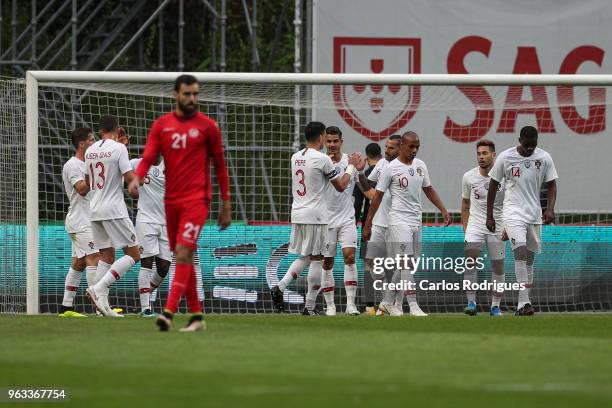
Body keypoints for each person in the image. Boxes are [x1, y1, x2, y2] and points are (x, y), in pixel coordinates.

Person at [129, 74, 232, 332]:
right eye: (188, 94)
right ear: (176, 94)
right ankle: (197, 316)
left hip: (197, 200)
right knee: (183, 257)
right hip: (170, 203)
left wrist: (226, 202)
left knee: (184, 254)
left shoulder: (208, 127)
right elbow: (149, 156)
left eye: (196, 94)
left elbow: (220, 166)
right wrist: (137, 178)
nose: (193, 98)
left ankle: (168, 312)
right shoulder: (162, 125)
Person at [270, 121, 364, 315]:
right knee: (315, 259)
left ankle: (297, 299)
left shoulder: (296, 157)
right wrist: (351, 167)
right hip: (316, 215)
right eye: (326, 138)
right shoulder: (323, 159)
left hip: (297, 212)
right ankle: (292, 294)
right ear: (321, 136)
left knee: (309, 256)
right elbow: (340, 186)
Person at [363, 132, 451, 317]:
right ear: (402, 145)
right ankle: (413, 306)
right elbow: (377, 196)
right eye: (411, 146)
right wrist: (368, 223)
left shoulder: (420, 165)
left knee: (407, 265)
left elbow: (428, 189)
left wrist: (443, 209)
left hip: (415, 220)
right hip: (398, 220)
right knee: (405, 262)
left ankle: (386, 303)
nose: (414, 150)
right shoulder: (391, 168)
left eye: (417, 146)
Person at [486, 125, 558, 316]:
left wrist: (549, 208)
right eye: (527, 145)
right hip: (512, 213)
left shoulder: (544, 158)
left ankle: (521, 305)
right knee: (520, 254)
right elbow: (493, 186)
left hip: (534, 215)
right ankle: (526, 303)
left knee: (530, 261)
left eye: (533, 146)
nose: (529, 149)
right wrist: (490, 215)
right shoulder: (505, 157)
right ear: (520, 140)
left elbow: (552, 185)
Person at [85, 116, 140, 317]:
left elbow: (87, 180)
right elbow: (129, 179)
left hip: (94, 208)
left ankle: (102, 309)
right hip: (114, 209)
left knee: (106, 256)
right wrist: (139, 189)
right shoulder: (119, 149)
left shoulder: (90, 151)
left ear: (100, 131)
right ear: (117, 130)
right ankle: (99, 288)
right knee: (134, 254)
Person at [461, 139, 505, 316]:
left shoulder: (504, 177)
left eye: (485, 153)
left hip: (498, 224)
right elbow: (465, 204)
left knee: (498, 267)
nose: (481, 157)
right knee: (470, 260)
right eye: (479, 154)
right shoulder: (468, 177)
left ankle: (495, 306)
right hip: (475, 224)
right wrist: (466, 227)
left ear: (493, 155)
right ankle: (471, 304)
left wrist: (507, 227)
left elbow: (510, 203)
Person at [319, 126, 360, 316]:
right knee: (327, 262)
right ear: (324, 142)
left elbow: (365, 188)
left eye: (335, 141)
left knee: (349, 257)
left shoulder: (349, 161)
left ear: (341, 142)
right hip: (326, 221)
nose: (332, 145)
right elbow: (340, 187)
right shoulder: (320, 162)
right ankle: (330, 306)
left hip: (347, 219)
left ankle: (351, 305)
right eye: (329, 141)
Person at [59, 128, 99, 317]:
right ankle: (99, 307)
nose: (94, 142)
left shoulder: (89, 162)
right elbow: (82, 189)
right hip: (80, 221)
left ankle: (66, 307)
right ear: (82, 144)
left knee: (79, 263)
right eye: (91, 140)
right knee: (94, 258)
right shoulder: (72, 165)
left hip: (88, 219)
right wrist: (92, 167)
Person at [358, 136, 400, 316]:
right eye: (386, 147)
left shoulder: (409, 168)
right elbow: (368, 187)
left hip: (396, 225)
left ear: (401, 148)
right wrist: (360, 173)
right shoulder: (382, 165)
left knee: (397, 267)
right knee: (372, 264)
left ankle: (395, 305)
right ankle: (386, 303)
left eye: (391, 148)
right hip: (378, 224)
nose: (387, 151)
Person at [129, 156, 171, 317]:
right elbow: (123, 171)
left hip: (166, 222)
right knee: (146, 261)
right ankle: (145, 307)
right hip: (145, 219)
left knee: (164, 267)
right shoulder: (136, 163)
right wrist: (132, 186)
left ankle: (146, 291)